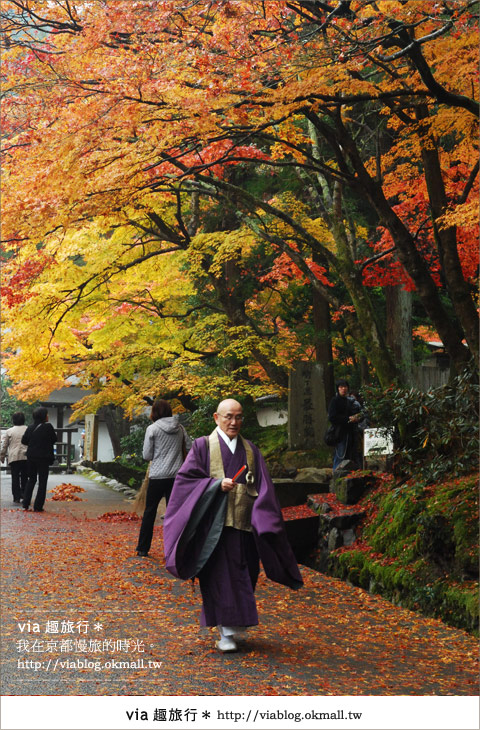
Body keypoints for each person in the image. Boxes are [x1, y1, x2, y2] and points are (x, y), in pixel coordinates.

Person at [163, 398, 303, 653]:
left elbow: (264, 488)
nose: (234, 422)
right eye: (228, 416)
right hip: (214, 530)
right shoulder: (203, 446)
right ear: (216, 418)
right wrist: (215, 485)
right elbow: (185, 481)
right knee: (219, 579)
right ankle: (225, 633)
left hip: (245, 526)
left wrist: (266, 521)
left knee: (244, 576)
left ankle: (233, 629)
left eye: (238, 417)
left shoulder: (251, 450)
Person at [136, 399, 191, 557]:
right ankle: (175, 549)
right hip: (176, 476)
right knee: (174, 514)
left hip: (157, 476)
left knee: (150, 512)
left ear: (154, 412)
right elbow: (190, 447)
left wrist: (158, 455)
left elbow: (146, 455)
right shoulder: (179, 428)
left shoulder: (152, 429)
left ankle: (143, 548)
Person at [21, 407, 58, 512]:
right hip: (43, 458)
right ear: (43, 416)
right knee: (42, 481)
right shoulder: (48, 427)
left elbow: (24, 441)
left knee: (31, 479)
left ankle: (25, 503)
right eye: (47, 414)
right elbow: (54, 439)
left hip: (31, 456)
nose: (48, 416)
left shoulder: (30, 427)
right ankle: (38, 506)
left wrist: (33, 443)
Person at [327, 379, 363, 471]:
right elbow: (332, 417)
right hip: (340, 434)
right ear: (338, 389)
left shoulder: (351, 401)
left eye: (345, 387)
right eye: (341, 387)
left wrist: (357, 418)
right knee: (340, 456)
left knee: (352, 456)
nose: (343, 389)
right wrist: (348, 419)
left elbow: (361, 414)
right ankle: (336, 477)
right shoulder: (334, 401)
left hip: (352, 432)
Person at [1, 412, 28, 504]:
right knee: (25, 477)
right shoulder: (28, 429)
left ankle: (16, 497)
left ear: (13, 420)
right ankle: (24, 494)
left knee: (15, 477)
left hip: (14, 457)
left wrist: (2, 456)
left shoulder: (9, 431)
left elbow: (4, 445)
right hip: (26, 456)